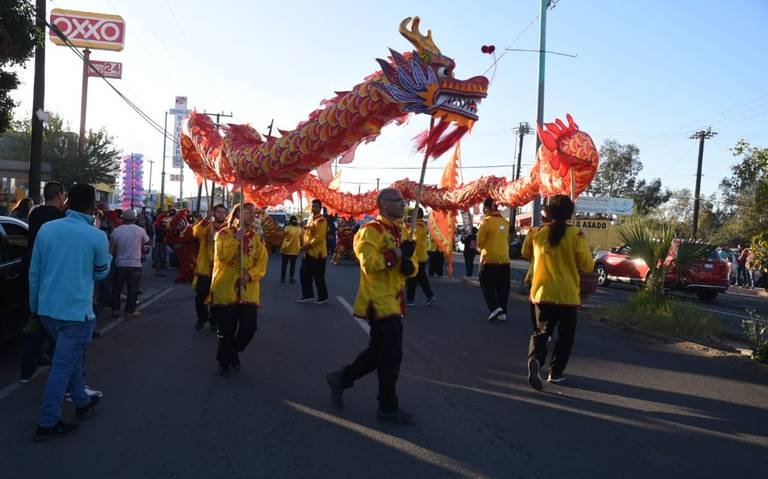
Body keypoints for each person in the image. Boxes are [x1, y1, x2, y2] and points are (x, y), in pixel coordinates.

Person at [325, 188, 418, 424]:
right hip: (378, 302)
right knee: (390, 356)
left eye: (403, 201)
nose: (402, 205)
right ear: (384, 204)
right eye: (398, 201)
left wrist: (410, 265)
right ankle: (387, 407)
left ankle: (341, 378)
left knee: (380, 353)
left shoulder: (400, 231)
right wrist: (398, 253)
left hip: (395, 300)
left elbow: (410, 264)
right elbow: (369, 264)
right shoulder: (370, 231)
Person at [29, 183, 111, 441]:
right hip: (76, 314)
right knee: (62, 367)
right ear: (92, 205)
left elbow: (35, 273)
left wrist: (35, 307)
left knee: (68, 360)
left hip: (47, 311)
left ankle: (82, 401)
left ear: (66, 202)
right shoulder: (96, 236)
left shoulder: (47, 230)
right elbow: (101, 272)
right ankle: (48, 421)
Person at [522, 195, 594, 391]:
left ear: (549, 212)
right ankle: (556, 372)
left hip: (542, 292)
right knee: (566, 336)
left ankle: (536, 359)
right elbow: (588, 265)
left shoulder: (536, 233)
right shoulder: (576, 235)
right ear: (570, 213)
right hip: (567, 295)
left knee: (541, 332)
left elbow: (525, 253)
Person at [209, 203, 268, 377]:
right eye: (247, 211)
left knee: (249, 328)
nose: (251, 215)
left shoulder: (257, 238)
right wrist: (237, 238)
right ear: (237, 215)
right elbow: (223, 257)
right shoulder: (223, 234)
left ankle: (233, 350)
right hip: (226, 290)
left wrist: (250, 275)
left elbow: (262, 262)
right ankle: (223, 362)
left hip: (248, 290)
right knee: (225, 332)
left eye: (253, 212)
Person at [20, 182, 67, 382]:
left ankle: (27, 369)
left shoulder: (34, 214)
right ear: (58, 195)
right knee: (55, 326)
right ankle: (59, 374)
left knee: (36, 319)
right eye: (63, 194)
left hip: (33, 268)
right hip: (53, 272)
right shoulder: (60, 218)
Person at [193, 203, 228, 331]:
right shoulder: (208, 225)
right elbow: (196, 233)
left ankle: (214, 320)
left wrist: (218, 239)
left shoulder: (228, 228)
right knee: (200, 296)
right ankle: (202, 317)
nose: (221, 215)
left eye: (223, 213)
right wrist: (206, 219)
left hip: (221, 269)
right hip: (205, 268)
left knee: (217, 298)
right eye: (219, 212)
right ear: (213, 213)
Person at [109, 209, 150, 318]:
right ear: (134, 219)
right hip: (135, 263)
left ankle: (115, 310)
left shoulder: (117, 231)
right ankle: (130, 311)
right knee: (133, 289)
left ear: (123, 219)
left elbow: (111, 248)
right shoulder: (140, 230)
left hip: (120, 263)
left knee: (117, 288)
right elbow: (146, 243)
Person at [477, 198, 511, 322]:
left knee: (486, 285)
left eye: (483, 208)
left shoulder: (486, 222)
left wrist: (482, 248)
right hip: (505, 260)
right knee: (503, 288)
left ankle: (495, 308)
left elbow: (479, 242)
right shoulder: (505, 222)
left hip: (490, 260)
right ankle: (503, 312)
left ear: (487, 208)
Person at [297, 199, 329, 304]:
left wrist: (309, 245)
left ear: (320, 208)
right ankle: (307, 295)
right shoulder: (311, 218)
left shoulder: (321, 220)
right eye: (313, 206)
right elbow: (311, 230)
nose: (314, 208)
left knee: (318, 276)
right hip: (308, 253)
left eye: (316, 206)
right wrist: (304, 226)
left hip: (318, 254)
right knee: (304, 274)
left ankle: (323, 297)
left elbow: (319, 236)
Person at [405, 207, 436, 306]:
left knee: (411, 278)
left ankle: (410, 300)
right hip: (420, 256)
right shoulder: (419, 225)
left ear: (418, 215)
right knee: (421, 278)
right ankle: (430, 296)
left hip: (416, 257)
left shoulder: (418, 226)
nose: (411, 216)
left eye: (413, 214)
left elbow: (415, 241)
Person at [280, 215, 302, 283]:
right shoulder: (299, 229)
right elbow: (301, 238)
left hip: (285, 248)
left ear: (290, 221)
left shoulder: (286, 227)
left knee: (284, 264)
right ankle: (291, 278)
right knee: (293, 264)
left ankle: (283, 278)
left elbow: (282, 235)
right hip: (295, 249)